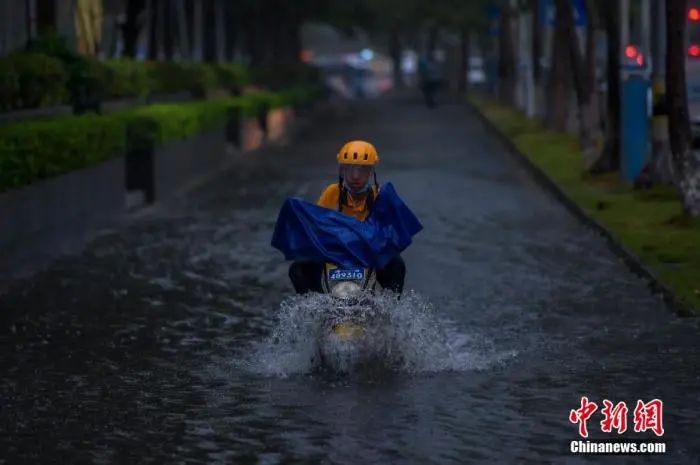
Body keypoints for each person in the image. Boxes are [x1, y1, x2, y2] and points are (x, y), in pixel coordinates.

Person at [288, 140, 406, 295]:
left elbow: (392, 231)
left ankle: (390, 305)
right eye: (350, 170)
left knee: (397, 264)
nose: (355, 177)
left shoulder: (381, 196)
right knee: (298, 268)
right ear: (342, 171)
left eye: (362, 170)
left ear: (370, 172)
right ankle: (315, 303)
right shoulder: (332, 192)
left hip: (368, 252)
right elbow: (315, 222)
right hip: (336, 250)